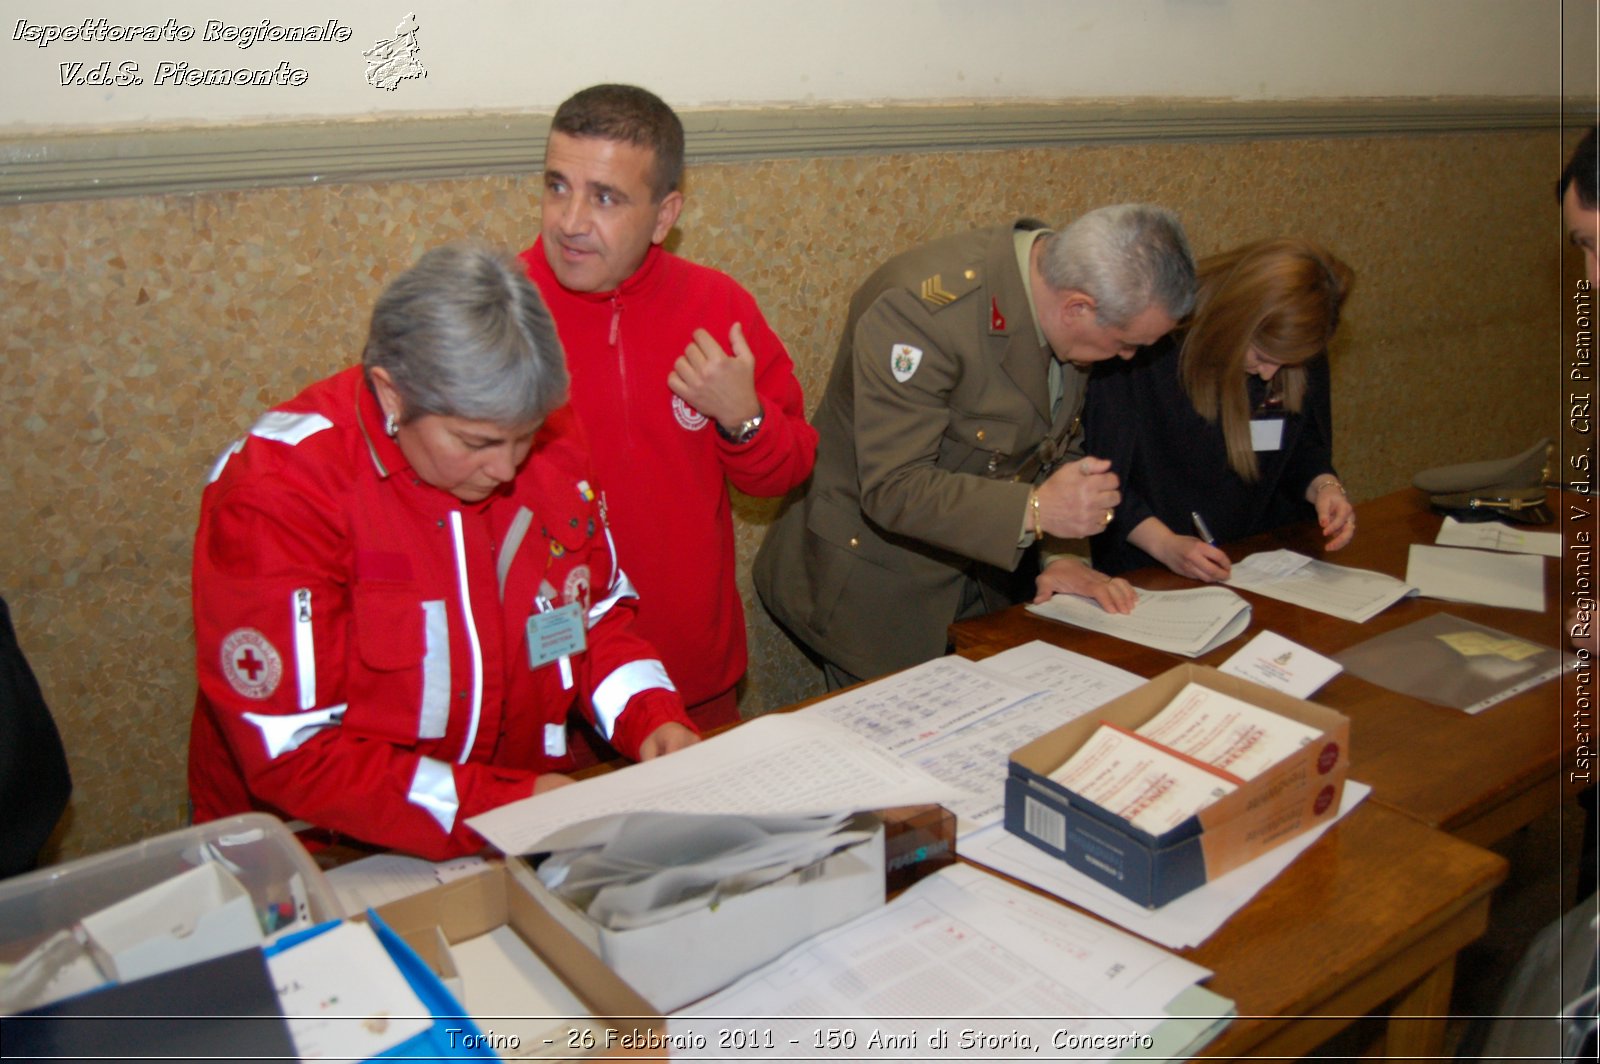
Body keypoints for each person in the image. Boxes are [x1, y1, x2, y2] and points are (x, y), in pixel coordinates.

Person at [188, 245, 699, 860]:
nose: (508, 468)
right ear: (393, 394)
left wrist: (653, 718)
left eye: (526, 435)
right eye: (477, 442)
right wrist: (500, 806)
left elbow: (589, 616)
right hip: (321, 848)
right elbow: (294, 756)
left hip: (509, 822)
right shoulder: (278, 497)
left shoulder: (545, 445)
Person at [754, 206, 1196, 687]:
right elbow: (894, 488)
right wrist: (1036, 510)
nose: (1128, 357)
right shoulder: (922, 312)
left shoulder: (1061, 293)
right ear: (1078, 307)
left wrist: (1065, 558)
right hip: (870, 588)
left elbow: (1058, 445)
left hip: (977, 580)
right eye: (1126, 343)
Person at [521, 84, 816, 732]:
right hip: (548, 686)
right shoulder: (503, 311)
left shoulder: (717, 307)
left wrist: (744, 416)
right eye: (556, 186)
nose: (569, 221)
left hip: (692, 677)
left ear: (664, 215)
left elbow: (787, 468)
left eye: (605, 197)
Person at [1085, 238, 1356, 581]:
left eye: (1288, 364)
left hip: (1259, 566)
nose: (1270, 374)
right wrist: (1166, 544)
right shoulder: (1150, 342)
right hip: (1147, 568)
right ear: (1235, 324)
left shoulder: (1294, 343)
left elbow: (1300, 446)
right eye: (1262, 357)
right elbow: (1104, 475)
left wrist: (1324, 487)